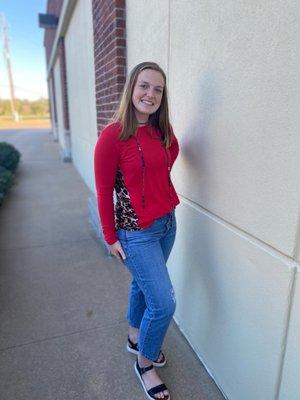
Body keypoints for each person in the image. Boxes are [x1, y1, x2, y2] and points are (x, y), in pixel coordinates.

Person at [94, 61, 180, 400]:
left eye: (158, 89)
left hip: (167, 224)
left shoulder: (161, 131)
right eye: (144, 86)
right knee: (164, 303)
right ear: (132, 88)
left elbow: (172, 153)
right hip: (136, 232)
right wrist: (110, 237)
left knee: (143, 287)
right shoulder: (112, 136)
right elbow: (104, 192)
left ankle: (134, 336)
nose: (150, 94)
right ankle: (145, 363)